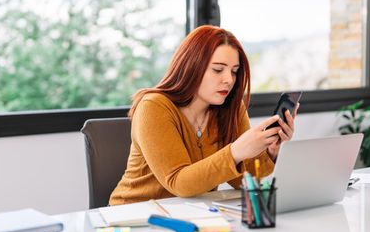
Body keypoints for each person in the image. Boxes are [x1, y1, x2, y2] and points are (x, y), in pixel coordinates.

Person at [109, 25, 298, 205]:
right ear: (191, 66)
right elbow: (178, 182)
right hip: (132, 216)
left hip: (191, 214)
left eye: (234, 71)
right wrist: (235, 152)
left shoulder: (230, 108)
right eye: (217, 70)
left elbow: (242, 181)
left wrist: (271, 152)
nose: (228, 80)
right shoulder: (153, 107)